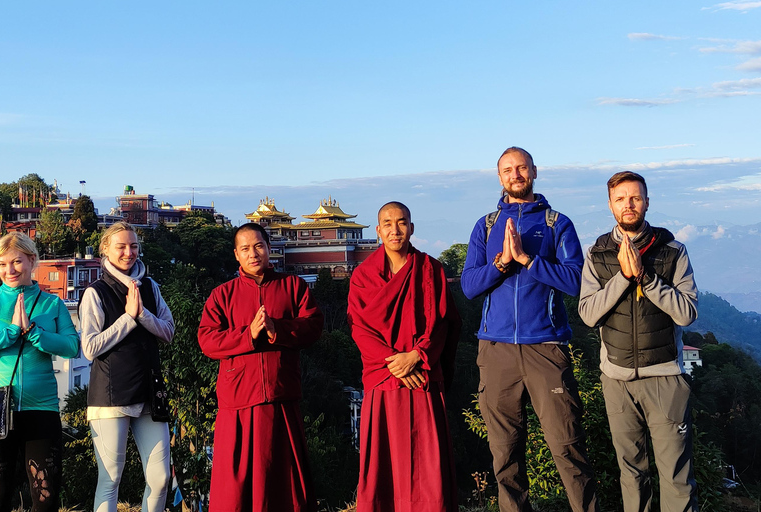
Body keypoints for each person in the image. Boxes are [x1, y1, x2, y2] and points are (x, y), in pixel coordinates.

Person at [461, 147, 599, 512]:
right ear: (499, 176)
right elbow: (470, 286)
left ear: (534, 171)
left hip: (546, 348)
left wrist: (528, 260)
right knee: (504, 453)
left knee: (567, 446)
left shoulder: (557, 224)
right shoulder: (486, 225)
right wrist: (503, 263)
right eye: (508, 169)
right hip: (496, 350)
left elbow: (575, 281)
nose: (515, 174)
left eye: (521, 167)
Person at [579, 171, 699, 511]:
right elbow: (588, 314)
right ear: (610, 205)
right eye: (621, 199)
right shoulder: (598, 253)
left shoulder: (673, 251)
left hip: (664, 378)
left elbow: (687, 313)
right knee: (631, 475)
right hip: (616, 380)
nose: (628, 205)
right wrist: (623, 277)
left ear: (646, 201)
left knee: (676, 477)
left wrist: (645, 277)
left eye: (635, 198)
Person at [198, 223, 323, 512]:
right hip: (239, 400)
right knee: (236, 490)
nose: (253, 254)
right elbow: (207, 340)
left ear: (269, 249)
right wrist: (248, 335)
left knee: (285, 483)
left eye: (258, 246)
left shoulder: (293, 287)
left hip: (281, 397)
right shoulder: (223, 294)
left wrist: (276, 328)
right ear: (236, 255)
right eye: (245, 249)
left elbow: (313, 326)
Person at [348, 202, 460, 512]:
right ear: (378, 230)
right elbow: (360, 328)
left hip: (422, 377)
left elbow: (442, 322)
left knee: (427, 461)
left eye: (401, 222)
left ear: (411, 227)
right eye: (388, 223)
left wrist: (417, 356)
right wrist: (396, 363)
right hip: (385, 379)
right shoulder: (363, 275)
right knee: (385, 463)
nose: (395, 230)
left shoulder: (430, 269)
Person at [79, 221, 174, 512]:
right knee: (110, 479)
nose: (128, 253)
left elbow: (169, 331)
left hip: (149, 394)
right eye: (120, 246)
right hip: (110, 397)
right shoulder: (95, 292)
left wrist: (142, 315)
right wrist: (128, 318)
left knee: (160, 478)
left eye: (133, 246)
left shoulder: (150, 286)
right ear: (106, 249)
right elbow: (90, 347)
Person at [0, 232, 80, 512]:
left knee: (46, 495)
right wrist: (11, 332)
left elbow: (71, 346)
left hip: (41, 407)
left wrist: (33, 332)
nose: (9, 270)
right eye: (1, 264)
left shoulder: (51, 304)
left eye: (17, 262)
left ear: (32, 261)